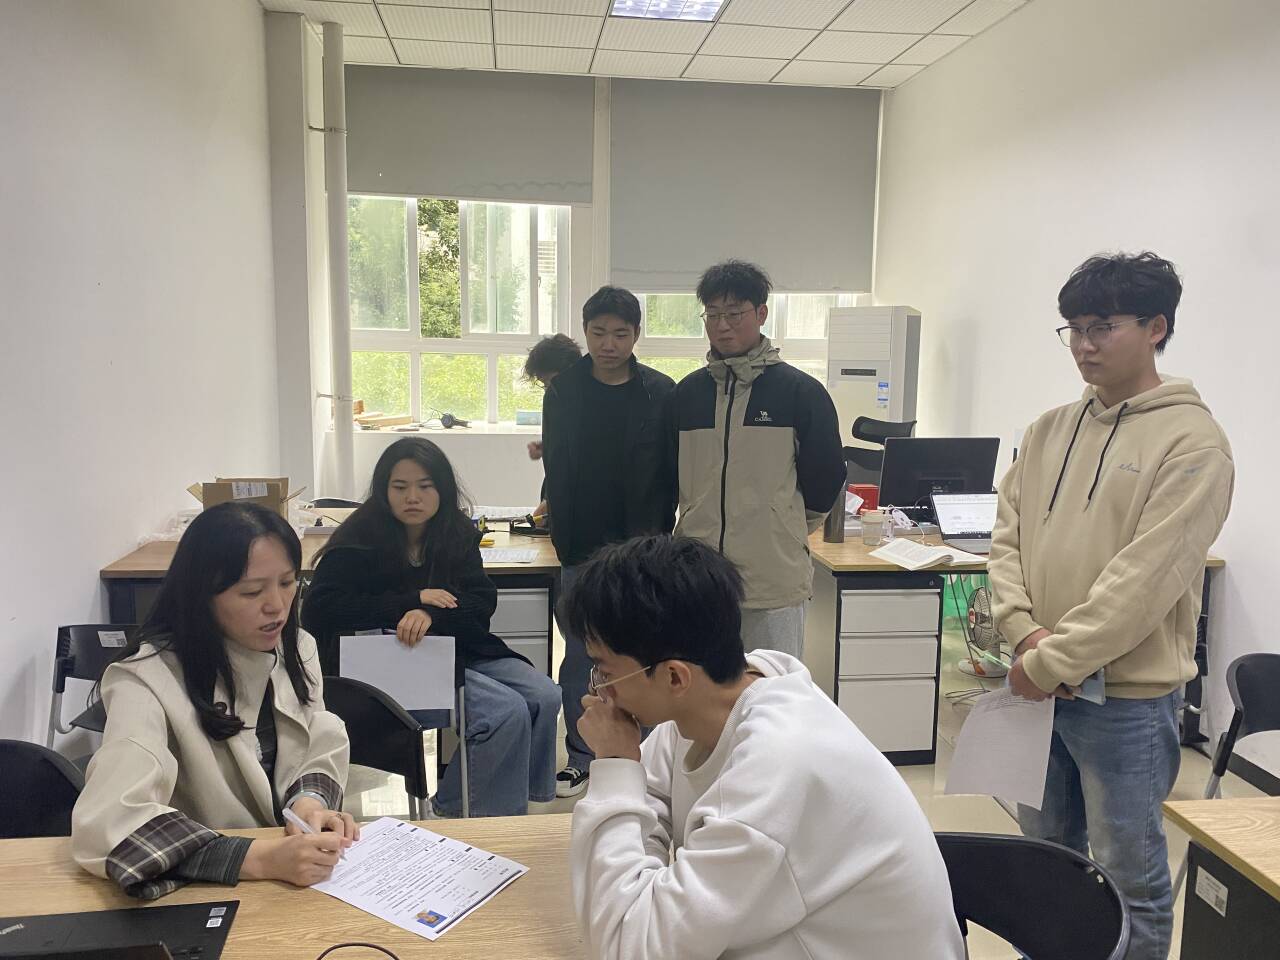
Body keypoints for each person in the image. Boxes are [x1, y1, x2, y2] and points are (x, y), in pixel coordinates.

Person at [989, 251, 1234, 960]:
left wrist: (1050, 660)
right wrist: (1023, 633)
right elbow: (1006, 539)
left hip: (1124, 702)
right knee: (1046, 861)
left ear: (1156, 327)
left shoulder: (1194, 444)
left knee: (1130, 879)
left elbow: (1143, 583)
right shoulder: (1047, 430)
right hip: (1037, 688)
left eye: (1102, 327)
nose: (1084, 345)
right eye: (1073, 328)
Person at [563, 535, 965, 960]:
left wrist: (615, 764)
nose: (599, 691)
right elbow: (651, 802)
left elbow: (629, 947)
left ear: (674, 677)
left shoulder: (776, 764)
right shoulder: (714, 700)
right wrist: (637, 891)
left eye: (604, 672)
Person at [72, 502, 354, 900]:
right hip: (206, 892)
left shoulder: (297, 647)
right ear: (201, 596)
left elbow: (315, 739)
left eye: (288, 582)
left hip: (292, 884)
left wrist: (308, 804)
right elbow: (110, 821)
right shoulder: (145, 679)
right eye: (252, 591)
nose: (276, 605)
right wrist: (259, 859)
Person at [301, 437, 560, 818]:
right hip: (392, 660)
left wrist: (431, 615)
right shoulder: (358, 541)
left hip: (457, 647)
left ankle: (509, 796)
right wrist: (409, 603)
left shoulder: (456, 533)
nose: (413, 497)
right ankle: (465, 816)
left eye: (425, 486)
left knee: (545, 694)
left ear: (443, 489)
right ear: (383, 490)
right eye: (400, 487)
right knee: (505, 711)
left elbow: (480, 602)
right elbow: (319, 611)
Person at [669, 260, 845, 657]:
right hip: (700, 580)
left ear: (761, 313)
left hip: (772, 579)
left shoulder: (800, 393)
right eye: (713, 314)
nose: (722, 325)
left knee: (770, 686)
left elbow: (826, 478)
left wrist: (781, 523)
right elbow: (667, 478)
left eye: (734, 314)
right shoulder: (687, 395)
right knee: (699, 687)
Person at [542, 286, 677, 799]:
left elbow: (670, 471)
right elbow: (555, 465)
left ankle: (644, 755)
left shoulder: (660, 392)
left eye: (620, 334)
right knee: (583, 656)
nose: (609, 344)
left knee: (642, 655)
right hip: (581, 548)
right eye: (598, 333)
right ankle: (583, 757)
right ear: (585, 332)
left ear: (636, 335)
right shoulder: (564, 391)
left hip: (642, 550)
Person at [522, 332, 583, 518]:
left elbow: (584, 461)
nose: (549, 389)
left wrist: (550, 502)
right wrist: (546, 446)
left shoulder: (589, 402)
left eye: (549, 382)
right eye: (545, 385)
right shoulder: (555, 398)